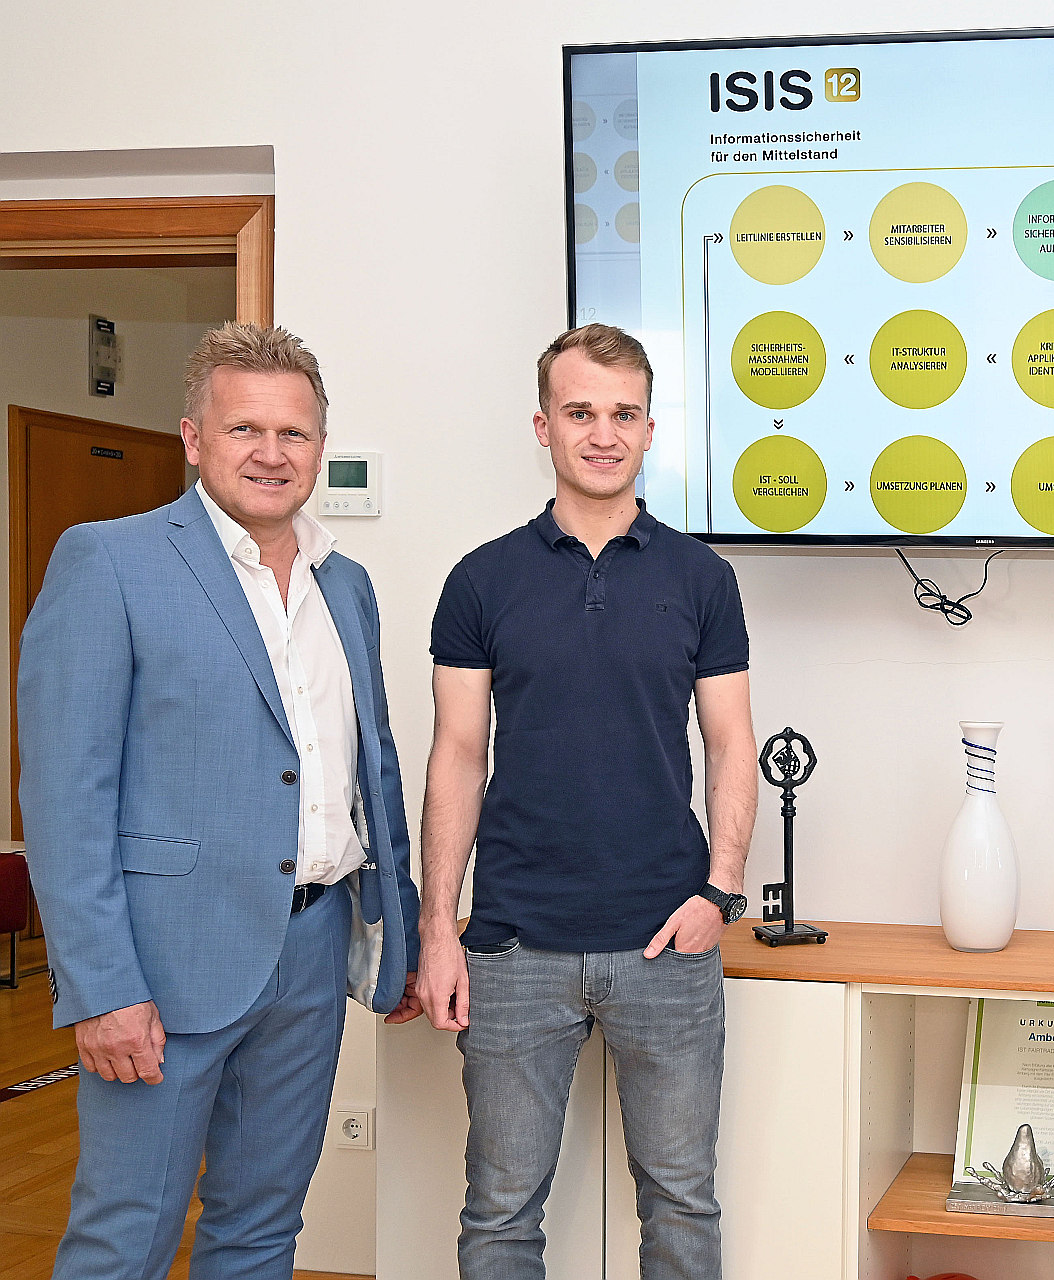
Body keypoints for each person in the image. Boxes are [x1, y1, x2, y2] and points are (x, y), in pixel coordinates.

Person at [20, 321, 422, 1280]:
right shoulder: (109, 561)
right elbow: (66, 795)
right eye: (245, 430)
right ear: (194, 438)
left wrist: (397, 935)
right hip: (163, 966)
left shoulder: (348, 585)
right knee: (127, 1236)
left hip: (315, 951)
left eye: (294, 434)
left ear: (319, 446)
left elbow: (373, 773)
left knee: (264, 1228)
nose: (272, 454)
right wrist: (103, 986)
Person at [416, 323, 758, 1279]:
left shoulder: (703, 579)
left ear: (650, 429)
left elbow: (733, 745)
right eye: (580, 413)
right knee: (499, 1212)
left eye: (623, 414)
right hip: (515, 946)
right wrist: (439, 929)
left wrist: (720, 893)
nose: (602, 433)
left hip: (668, 942)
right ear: (543, 425)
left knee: (683, 1203)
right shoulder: (481, 580)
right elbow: (455, 756)